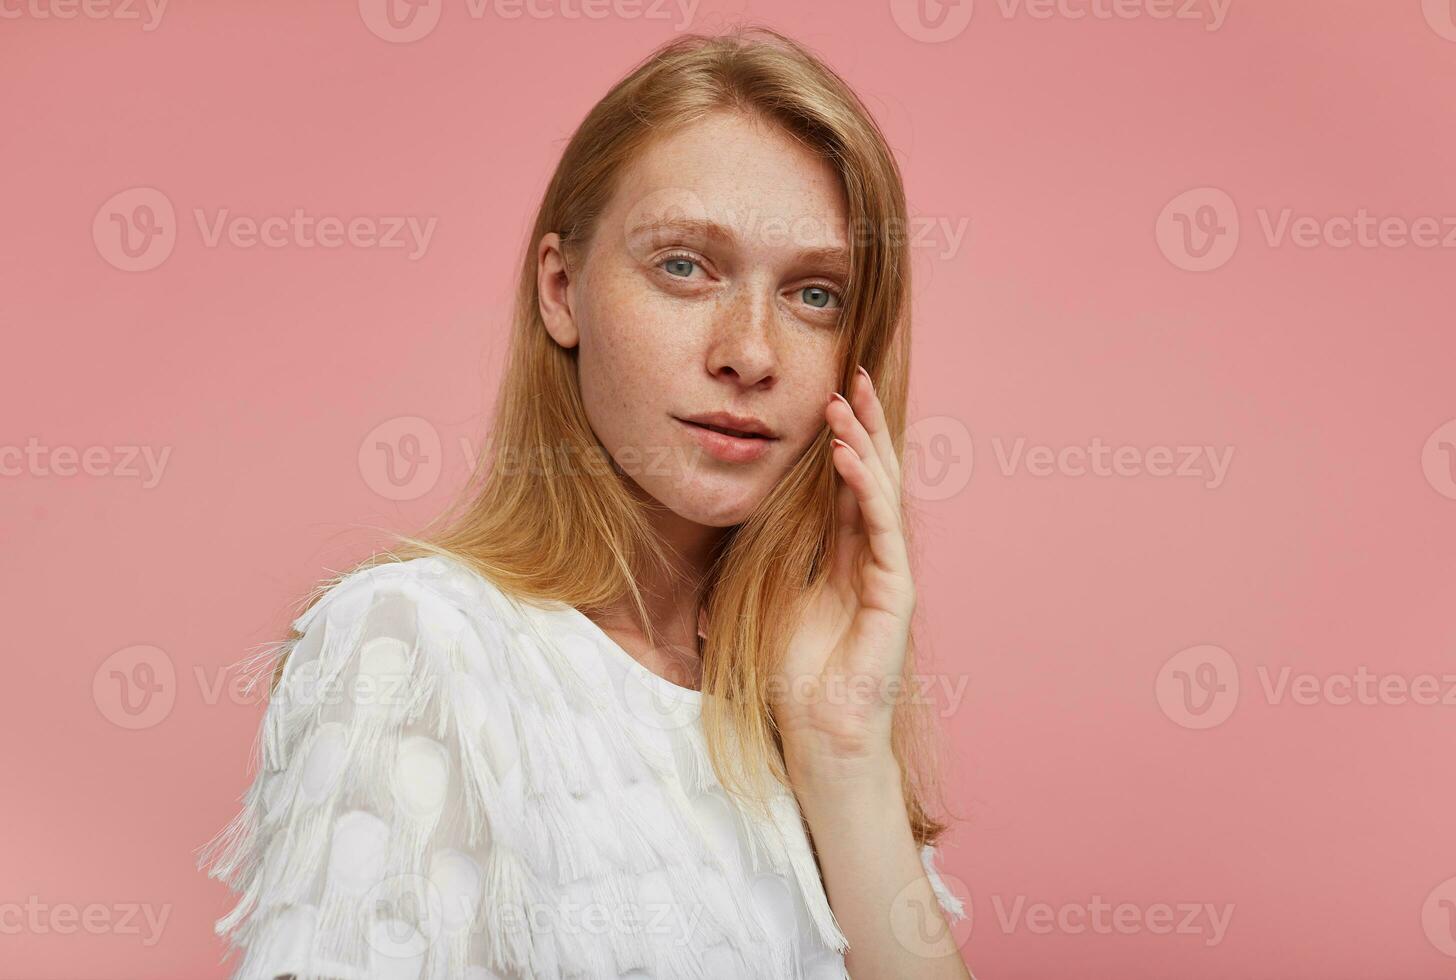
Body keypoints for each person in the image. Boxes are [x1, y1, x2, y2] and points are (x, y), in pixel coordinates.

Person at [197, 25, 971, 980]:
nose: (751, 351)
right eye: (685, 266)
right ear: (562, 290)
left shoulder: (805, 700)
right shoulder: (416, 646)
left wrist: (843, 750)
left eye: (814, 294)